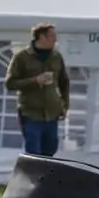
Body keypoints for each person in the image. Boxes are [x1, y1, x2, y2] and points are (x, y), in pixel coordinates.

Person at [6, 24, 70, 157]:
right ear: (41, 37)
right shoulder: (22, 57)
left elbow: (64, 81)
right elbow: (10, 83)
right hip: (31, 113)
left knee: (50, 151)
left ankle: (46, 178)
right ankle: (33, 178)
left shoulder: (56, 57)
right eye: (52, 36)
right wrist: (35, 81)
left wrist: (65, 104)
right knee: (33, 154)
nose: (55, 39)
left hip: (52, 114)